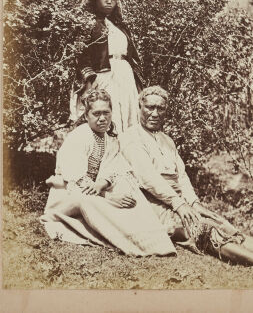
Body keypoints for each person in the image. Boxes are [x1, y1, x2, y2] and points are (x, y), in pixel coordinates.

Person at [120, 86, 253, 269]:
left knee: (220, 222)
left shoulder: (167, 140)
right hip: (151, 202)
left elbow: (181, 176)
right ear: (140, 106)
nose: (155, 113)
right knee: (202, 228)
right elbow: (148, 178)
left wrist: (194, 203)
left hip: (176, 200)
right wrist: (179, 204)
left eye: (161, 108)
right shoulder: (131, 137)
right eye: (150, 107)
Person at [41, 89, 176, 256]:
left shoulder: (109, 138)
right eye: (96, 113)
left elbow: (116, 168)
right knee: (87, 200)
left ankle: (150, 237)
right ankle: (128, 237)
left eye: (106, 112)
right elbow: (76, 182)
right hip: (69, 196)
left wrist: (103, 184)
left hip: (95, 192)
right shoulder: (78, 137)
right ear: (86, 115)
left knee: (128, 184)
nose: (102, 118)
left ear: (112, 113)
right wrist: (109, 197)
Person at [70, 0, 144, 134]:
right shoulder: (88, 23)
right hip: (103, 79)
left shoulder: (120, 26)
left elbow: (132, 58)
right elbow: (81, 56)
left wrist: (140, 89)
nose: (110, 0)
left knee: (129, 123)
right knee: (108, 121)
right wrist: (89, 82)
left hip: (126, 79)